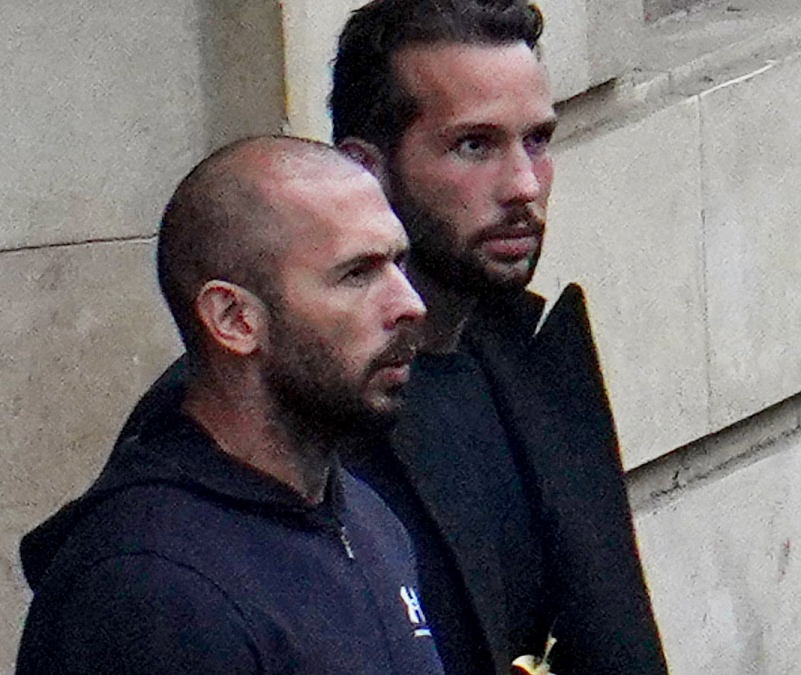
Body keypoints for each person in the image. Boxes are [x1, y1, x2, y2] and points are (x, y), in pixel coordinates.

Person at [121, 1, 669, 672]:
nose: (523, 184)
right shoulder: (270, 392)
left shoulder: (530, 354)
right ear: (365, 166)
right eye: (475, 144)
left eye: (537, 140)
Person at [15, 136, 444, 674]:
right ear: (234, 319)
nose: (409, 304)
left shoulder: (367, 521)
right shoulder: (152, 590)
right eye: (358, 274)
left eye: (399, 263)